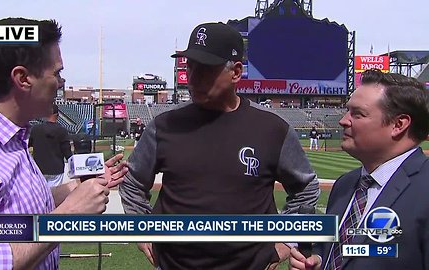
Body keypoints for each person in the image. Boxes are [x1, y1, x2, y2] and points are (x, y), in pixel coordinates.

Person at [119, 22, 320, 270]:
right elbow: (132, 184)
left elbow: (306, 188)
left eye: (205, 70)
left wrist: (284, 241)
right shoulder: (164, 126)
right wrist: (143, 231)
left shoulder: (272, 129)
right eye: (190, 68)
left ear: (236, 72)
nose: (192, 79)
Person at [0, 18, 128, 269]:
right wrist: (66, 218)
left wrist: (75, 190)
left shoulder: (6, 134)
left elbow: (7, 216)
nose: (61, 82)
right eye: (57, 73)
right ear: (22, 78)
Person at [289, 69, 429, 270]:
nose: (343, 120)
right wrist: (319, 261)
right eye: (347, 111)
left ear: (399, 124)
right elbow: (338, 251)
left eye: (358, 114)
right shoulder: (345, 184)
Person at [29, 104, 73, 187]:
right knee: (53, 196)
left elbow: (27, 145)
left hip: (39, 169)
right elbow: (67, 152)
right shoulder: (61, 130)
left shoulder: (36, 129)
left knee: (40, 196)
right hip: (56, 169)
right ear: (57, 115)